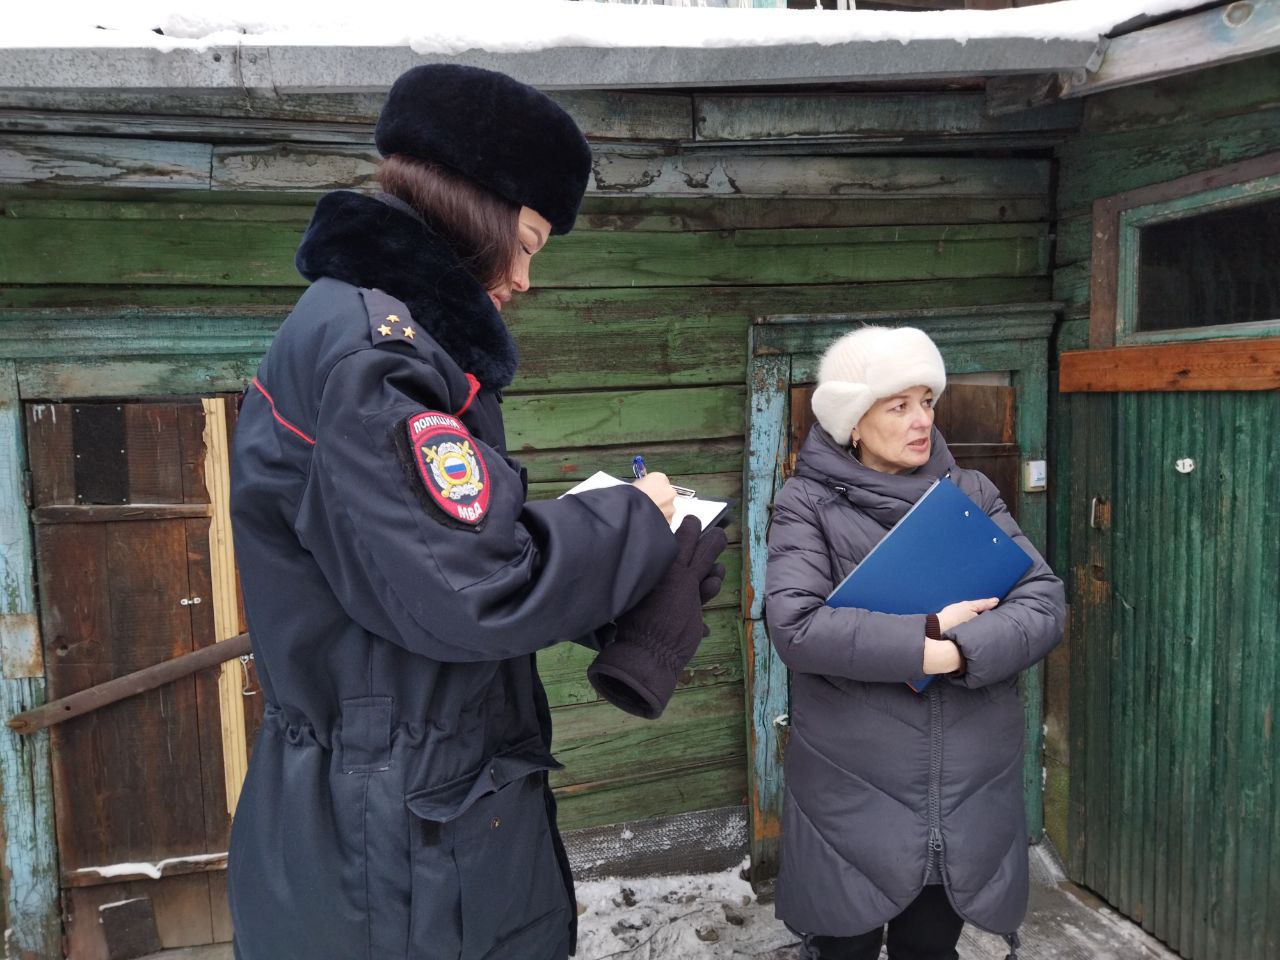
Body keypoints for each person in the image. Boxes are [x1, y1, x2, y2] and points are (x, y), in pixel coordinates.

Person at [227, 64, 727, 960]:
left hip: (406, 814)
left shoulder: (380, 338)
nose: (526, 280)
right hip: (397, 853)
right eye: (526, 243)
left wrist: (623, 573)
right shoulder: (375, 359)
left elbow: (420, 560)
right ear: (474, 211)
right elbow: (470, 589)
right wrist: (635, 521)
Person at [764, 326, 1065, 960]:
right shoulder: (807, 504)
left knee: (930, 949)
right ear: (853, 420)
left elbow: (1043, 602)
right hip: (853, 790)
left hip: (968, 790)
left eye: (926, 401)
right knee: (842, 948)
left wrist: (961, 651)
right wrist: (925, 641)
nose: (922, 420)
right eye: (898, 406)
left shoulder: (970, 493)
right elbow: (796, 625)